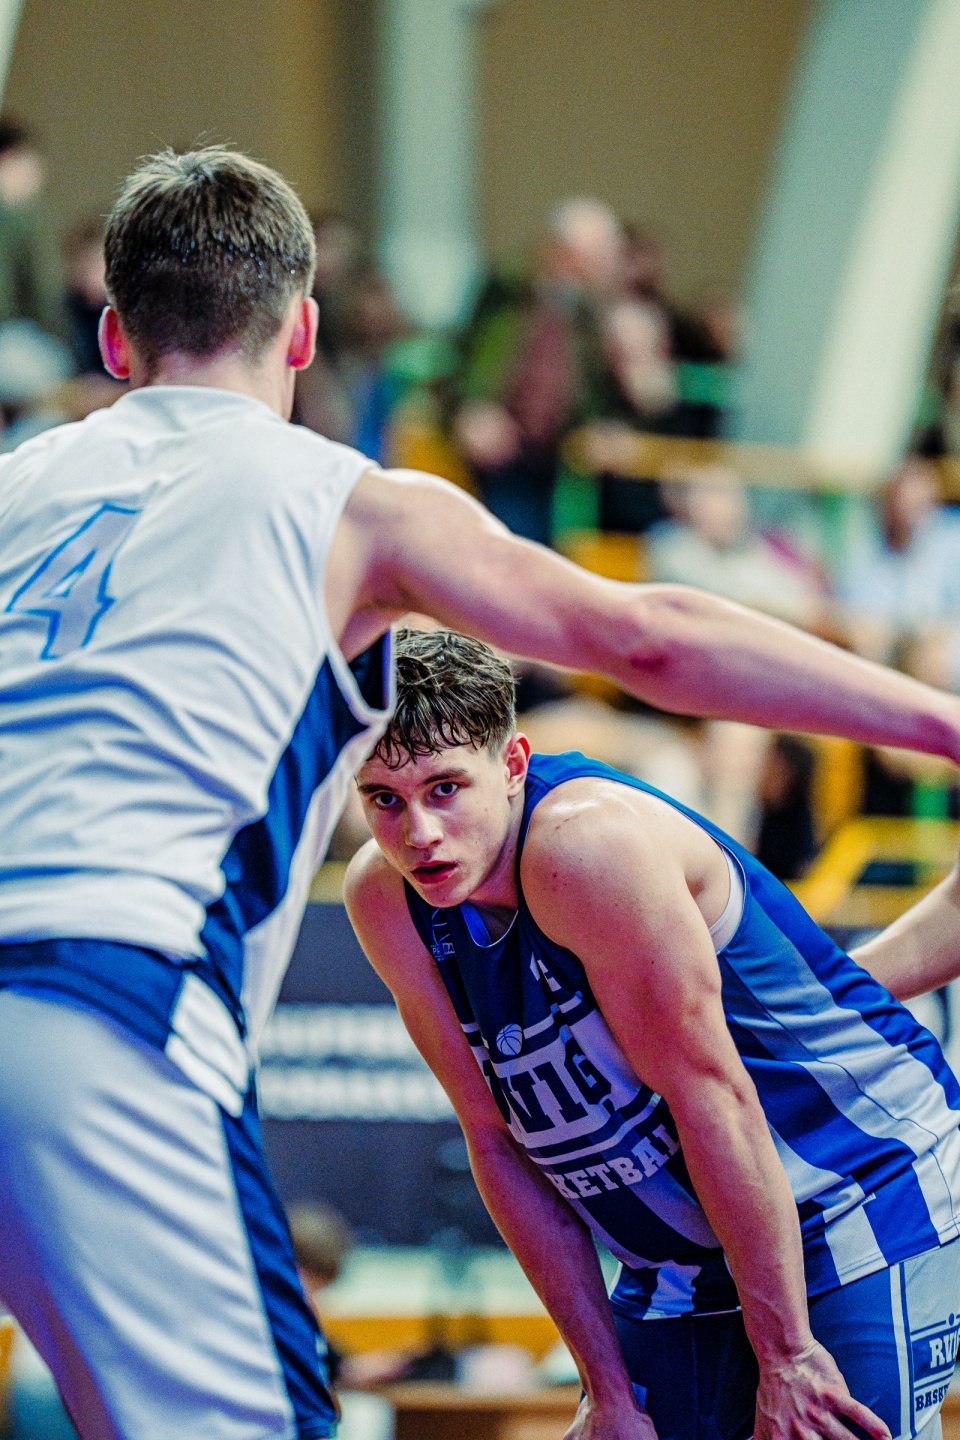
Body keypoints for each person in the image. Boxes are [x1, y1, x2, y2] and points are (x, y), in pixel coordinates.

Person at [2, 145, 960, 1440]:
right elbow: (648, 640)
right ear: (303, 334)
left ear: (114, 336)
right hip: (104, 1000)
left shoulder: (15, 486)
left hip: (848, 1192)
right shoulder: (342, 501)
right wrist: (940, 722)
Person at [345, 628, 960, 1440]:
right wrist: (605, 1390)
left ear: (514, 765)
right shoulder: (383, 897)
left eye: (446, 788)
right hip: (680, 1254)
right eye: (384, 799)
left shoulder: (582, 846)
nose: (419, 831)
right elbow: (494, 1140)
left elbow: (714, 1099)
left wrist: (785, 1354)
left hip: (853, 1188)